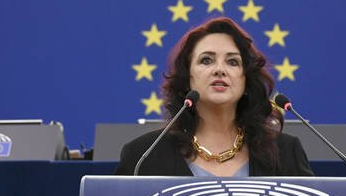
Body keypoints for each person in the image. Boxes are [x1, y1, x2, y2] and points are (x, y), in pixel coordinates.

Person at [115, 17, 313, 177]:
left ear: (246, 80)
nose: (220, 70)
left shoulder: (286, 152)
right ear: (187, 79)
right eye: (206, 60)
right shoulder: (143, 156)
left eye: (233, 62)